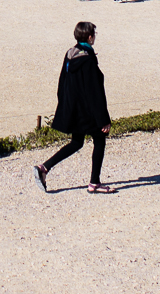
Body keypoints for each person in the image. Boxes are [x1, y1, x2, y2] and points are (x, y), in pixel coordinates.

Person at [34, 20, 112, 194]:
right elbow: (95, 91)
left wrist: (64, 107)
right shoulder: (88, 59)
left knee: (77, 142)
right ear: (90, 37)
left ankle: (44, 168)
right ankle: (94, 183)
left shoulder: (70, 54)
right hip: (88, 111)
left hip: (73, 109)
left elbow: (62, 83)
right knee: (99, 139)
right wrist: (103, 119)